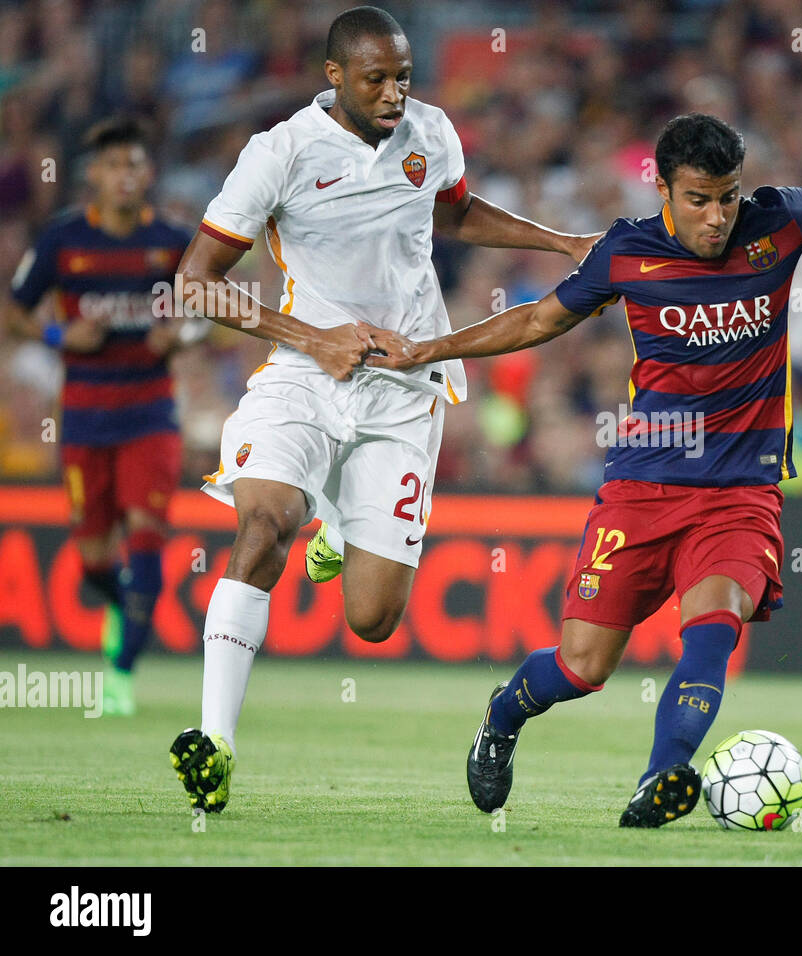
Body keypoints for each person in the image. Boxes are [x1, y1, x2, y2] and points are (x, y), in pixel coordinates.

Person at [365, 111, 802, 826]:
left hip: (740, 493)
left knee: (713, 626)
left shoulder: (777, 221)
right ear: (660, 186)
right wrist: (427, 350)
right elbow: (537, 320)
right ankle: (502, 717)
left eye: (727, 197)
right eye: (699, 199)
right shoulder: (626, 252)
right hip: (641, 491)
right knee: (582, 668)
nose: (718, 217)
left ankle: (661, 778)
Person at [167, 5, 596, 813]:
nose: (395, 92)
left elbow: (458, 214)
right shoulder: (280, 152)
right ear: (334, 76)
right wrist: (313, 336)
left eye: (402, 75)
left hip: (403, 385)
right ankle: (216, 742)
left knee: (371, 620)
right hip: (302, 368)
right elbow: (192, 282)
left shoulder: (430, 132)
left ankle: (337, 525)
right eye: (377, 79)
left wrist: (561, 244)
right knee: (263, 523)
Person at [5, 116, 194, 716]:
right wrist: (60, 332)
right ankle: (130, 606)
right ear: (93, 174)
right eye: (113, 165)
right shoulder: (63, 242)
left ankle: (121, 671)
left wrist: (181, 336)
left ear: (148, 174)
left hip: (150, 414)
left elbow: (213, 307)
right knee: (93, 560)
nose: (124, 176)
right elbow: (13, 311)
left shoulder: (171, 242)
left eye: (134, 165)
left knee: (145, 537)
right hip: (85, 416)